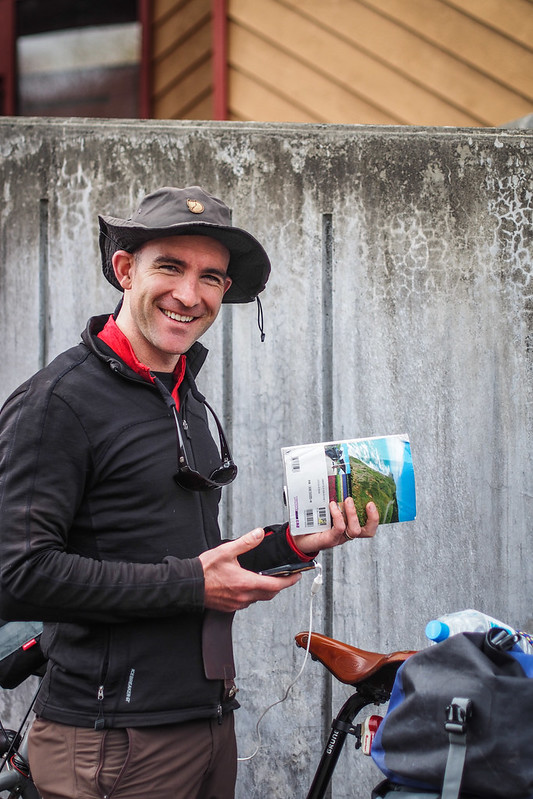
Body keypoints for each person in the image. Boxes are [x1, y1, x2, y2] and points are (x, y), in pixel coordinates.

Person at [0, 186, 379, 799]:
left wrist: (296, 541)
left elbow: (190, 556)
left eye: (211, 277)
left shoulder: (183, 397)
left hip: (205, 721)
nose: (189, 294)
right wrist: (193, 584)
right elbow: (14, 575)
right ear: (125, 269)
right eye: (170, 267)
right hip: (108, 742)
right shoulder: (58, 402)